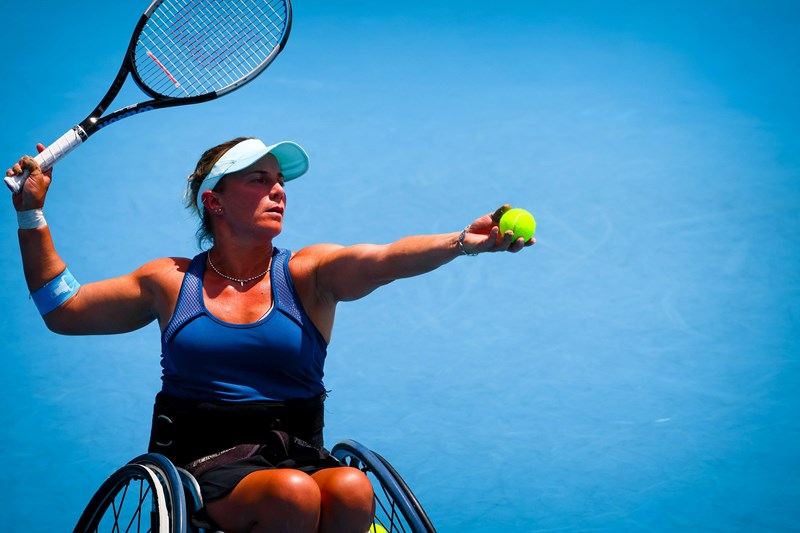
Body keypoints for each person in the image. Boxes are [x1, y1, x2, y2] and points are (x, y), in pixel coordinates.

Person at [7, 137, 533, 533]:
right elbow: (66, 309)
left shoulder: (310, 273)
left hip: (300, 453)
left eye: (279, 180)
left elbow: (384, 259)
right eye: (258, 179)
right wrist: (32, 215)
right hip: (204, 466)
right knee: (291, 495)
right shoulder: (168, 281)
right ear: (215, 200)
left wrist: (462, 241)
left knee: (351, 487)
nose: (277, 189)